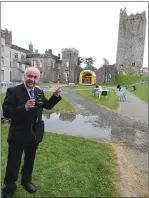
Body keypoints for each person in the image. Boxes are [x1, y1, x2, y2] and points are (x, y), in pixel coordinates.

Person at [2, 67, 62, 198]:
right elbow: (6, 111)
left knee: (30, 161)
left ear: (38, 79)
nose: (32, 79)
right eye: (30, 76)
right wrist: (24, 107)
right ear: (25, 76)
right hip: (18, 134)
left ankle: (26, 181)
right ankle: (9, 188)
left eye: (35, 77)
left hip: (34, 134)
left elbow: (47, 105)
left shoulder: (39, 91)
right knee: (14, 163)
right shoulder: (13, 91)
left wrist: (56, 95)